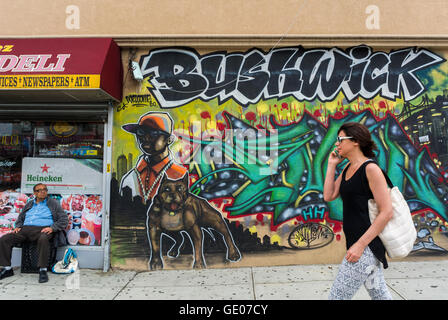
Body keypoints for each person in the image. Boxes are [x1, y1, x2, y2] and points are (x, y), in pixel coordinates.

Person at [323, 122, 393, 300]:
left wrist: (360, 245)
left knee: (336, 297)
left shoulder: (371, 169)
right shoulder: (347, 168)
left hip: (365, 248)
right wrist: (332, 165)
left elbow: (386, 212)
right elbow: (329, 195)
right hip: (357, 245)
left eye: (340, 139)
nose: (337, 143)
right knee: (380, 295)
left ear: (355, 141)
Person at [0, 183, 68, 283]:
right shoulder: (29, 204)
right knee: (5, 239)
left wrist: (53, 228)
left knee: (43, 238)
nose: (43, 191)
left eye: (45, 189)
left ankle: (42, 270)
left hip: (42, 230)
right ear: (34, 193)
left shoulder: (53, 203)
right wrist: (18, 226)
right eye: (39, 190)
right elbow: (20, 218)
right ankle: (7, 268)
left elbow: (64, 219)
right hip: (25, 230)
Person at [120, 111, 187, 204]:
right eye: (141, 132)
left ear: (169, 140)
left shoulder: (181, 175)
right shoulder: (130, 178)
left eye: (154, 133)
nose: (146, 137)